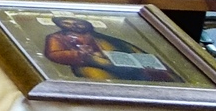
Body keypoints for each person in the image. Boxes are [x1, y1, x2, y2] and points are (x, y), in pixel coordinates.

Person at [42, 17, 176, 83]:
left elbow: (129, 49)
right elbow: (54, 53)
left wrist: (150, 61)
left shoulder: (100, 37)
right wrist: (78, 54)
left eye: (74, 21)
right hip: (90, 63)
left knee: (147, 73)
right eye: (66, 23)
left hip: (122, 62)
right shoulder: (57, 37)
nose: (73, 24)